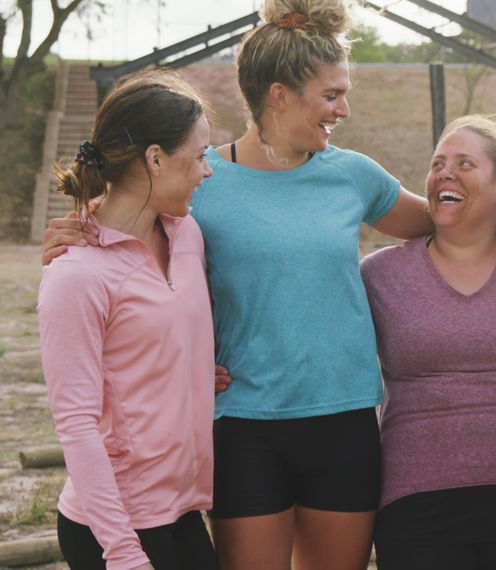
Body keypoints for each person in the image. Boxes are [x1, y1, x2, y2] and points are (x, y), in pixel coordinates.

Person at [42, 1, 430, 568]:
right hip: (244, 426)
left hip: (343, 419)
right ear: (279, 95)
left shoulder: (354, 175)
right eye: (331, 95)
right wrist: (78, 227)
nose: (344, 109)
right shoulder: (202, 185)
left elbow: (441, 223)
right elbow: (132, 207)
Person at [362, 115, 496, 570]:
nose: (444, 173)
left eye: (465, 163)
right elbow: (325, 350)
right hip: (416, 494)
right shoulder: (381, 274)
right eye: (438, 164)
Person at [37, 70, 217, 569]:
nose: (209, 171)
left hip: (181, 511)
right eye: (200, 156)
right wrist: (121, 552)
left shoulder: (188, 236)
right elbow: (76, 424)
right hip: (114, 529)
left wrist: (195, 372)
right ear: (156, 158)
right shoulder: (76, 274)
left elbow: (158, 345)